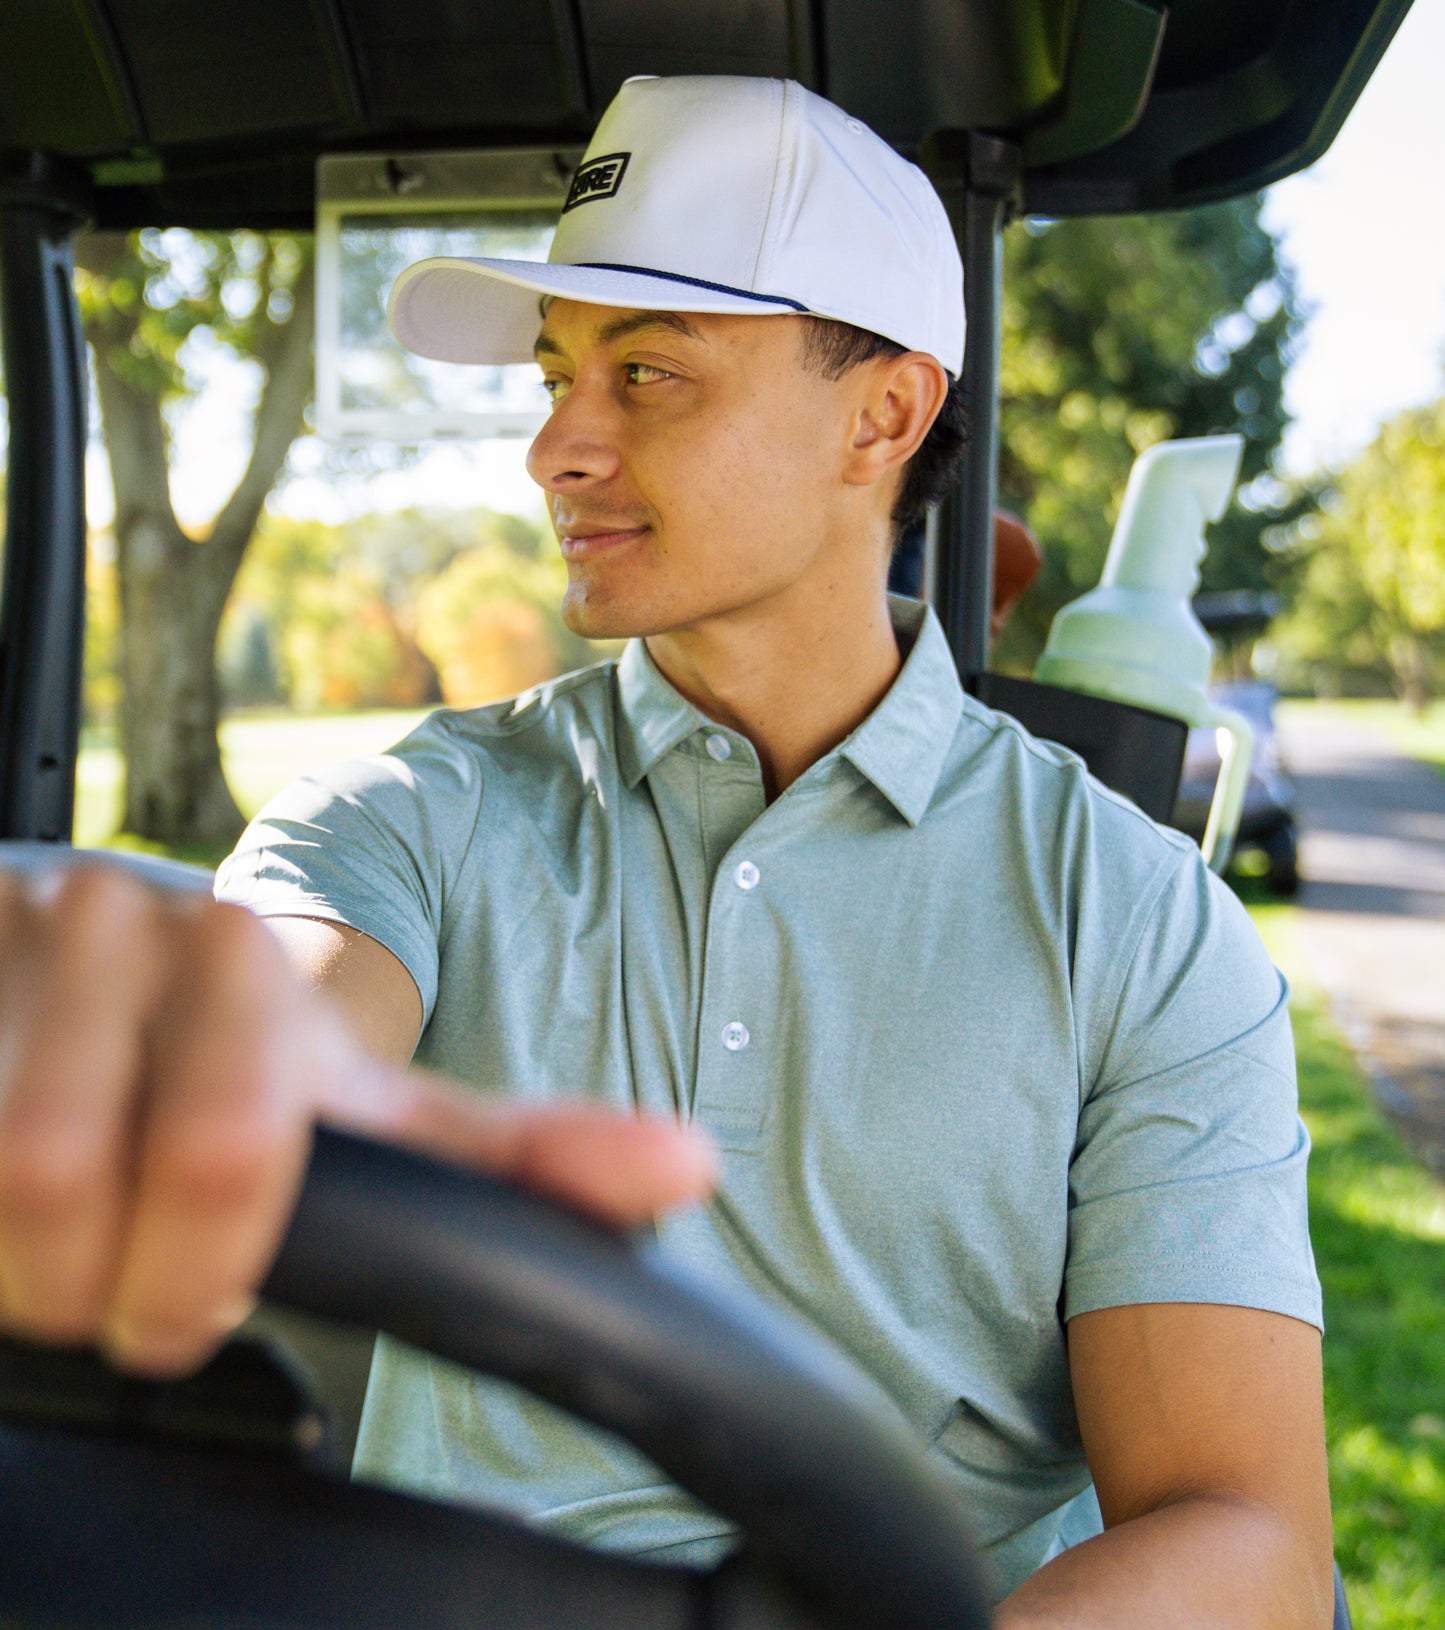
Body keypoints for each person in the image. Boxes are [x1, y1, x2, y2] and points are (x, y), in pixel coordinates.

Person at [0, 73, 1333, 1628]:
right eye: (558, 373)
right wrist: (167, 1053)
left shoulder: (1137, 917)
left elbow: (1242, 1527)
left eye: (648, 372)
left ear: (883, 413)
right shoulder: (408, 815)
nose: (553, 448)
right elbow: (277, 1012)